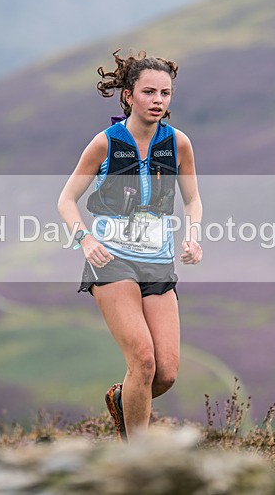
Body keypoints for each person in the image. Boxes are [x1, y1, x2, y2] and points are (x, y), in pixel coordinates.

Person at [57, 49, 203, 442]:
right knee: (142, 360)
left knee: (165, 373)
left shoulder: (178, 144)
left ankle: (124, 400)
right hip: (111, 260)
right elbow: (66, 200)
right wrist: (85, 240)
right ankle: (136, 456)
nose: (158, 101)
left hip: (157, 262)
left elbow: (192, 200)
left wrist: (192, 236)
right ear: (128, 96)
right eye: (149, 92)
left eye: (166, 93)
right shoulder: (105, 143)